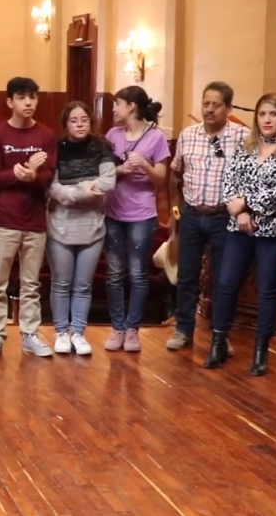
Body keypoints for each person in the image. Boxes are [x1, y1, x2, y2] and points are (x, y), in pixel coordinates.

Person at [204, 93, 276, 376]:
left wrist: (246, 204)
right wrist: (240, 213)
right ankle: (218, 343)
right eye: (262, 114)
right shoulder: (245, 146)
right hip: (239, 226)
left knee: (267, 290)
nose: (267, 119)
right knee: (225, 284)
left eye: (273, 114)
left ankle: (261, 351)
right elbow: (229, 184)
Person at [167, 82, 248, 350]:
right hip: (190, 215)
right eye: (206, 104)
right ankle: (183, 330)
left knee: (224, 279)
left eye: (216, 105)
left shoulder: (243, 137)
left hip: (224, 218)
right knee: (187, 276)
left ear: (228, 108)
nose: (209, 109)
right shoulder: (188, 135)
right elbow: (175, 174)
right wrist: (175, 212)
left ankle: (220, 335)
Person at [0, 77, 57, 359]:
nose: (29, 102)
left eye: (33, 97)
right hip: (4, 220)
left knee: (31, 284)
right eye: (23, 97)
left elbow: (49, 175)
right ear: (10, 101)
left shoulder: (47, 135)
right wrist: (19, 174)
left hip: (36, 221)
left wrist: (34, 176)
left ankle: (30, 334)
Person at [103, 86, 170, 352]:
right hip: (113, 213)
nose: (114, 109)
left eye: (117, 104)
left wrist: (144, 165)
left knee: (138, 274)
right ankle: (117, 327)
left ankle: (133, 330)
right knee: (114, 274)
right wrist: (121, 169)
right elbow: (104, 171)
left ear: (131, 106)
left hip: (142, 216)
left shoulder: (156, 138)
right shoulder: (112, 134)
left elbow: (161, 179)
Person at [46, 102, 116, 355]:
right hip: (60, 226)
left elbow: (107, 182)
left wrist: (75, 192)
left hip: (92, 226)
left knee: (83, 285)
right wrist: (83, 191)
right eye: (74, 120)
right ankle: (61, 332)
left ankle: (78, 332)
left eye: (84, 119)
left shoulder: (102, 147)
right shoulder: (56, 148)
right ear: (65, 124)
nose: (80, 124)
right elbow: (53, 188)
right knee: (61, 283)